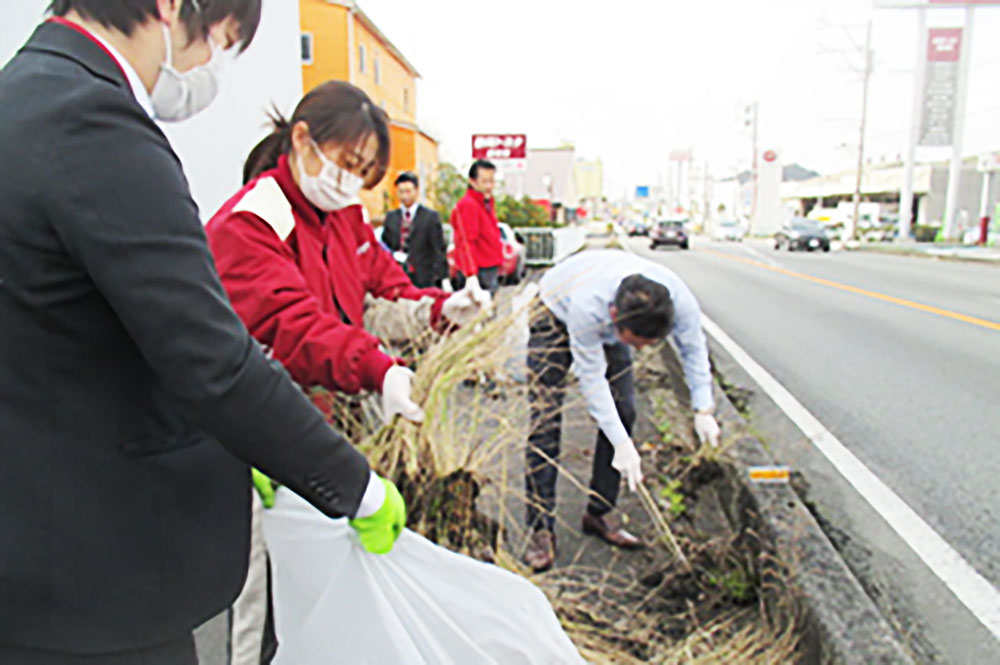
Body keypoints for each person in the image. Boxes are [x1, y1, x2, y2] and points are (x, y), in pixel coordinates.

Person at [0, 3, 405, 663]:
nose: (206, 70)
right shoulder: (95, 124)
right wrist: (353, 483)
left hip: (36, 554)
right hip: (94, 578)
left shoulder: (23, 97)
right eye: (222, 42)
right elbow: (213, 356)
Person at [205, 81, 491, 663]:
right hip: (256, 435)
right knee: (260, 597)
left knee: (318, 584)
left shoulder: (342, 216)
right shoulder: (257, 217)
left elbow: (379, 294)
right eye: (346, 162)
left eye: (364, 171)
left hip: (321, 427)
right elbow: (292, 322)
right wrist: (377, 369)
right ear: (303, 139)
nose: (350, 180)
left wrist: (438, 309)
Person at [523, 250, 722, 572]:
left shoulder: (677, 301)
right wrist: (622, 444)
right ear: (615, 316)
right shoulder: (588, 307)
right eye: (636, 342)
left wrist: (703, 408)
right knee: (545, 421)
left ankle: (599, 512)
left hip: (608, 316)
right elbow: (593, 381)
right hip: (554, 309)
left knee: (625, 410)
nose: (641, 350)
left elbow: (694, 349)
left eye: (647, 344)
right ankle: (540, 528)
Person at [382, 172, 449, 289]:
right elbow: (386, 245)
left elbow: (438, 249)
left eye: (408, 191)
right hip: (397, 277)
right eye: (401, 192)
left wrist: (442, 278)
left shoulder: (430, 217)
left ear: (416, 191)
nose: (404, 196)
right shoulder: (391, 217)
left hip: (424, 278)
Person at [451, 159, 503, 296]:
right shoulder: (469, 205)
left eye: (492, 181)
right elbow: (465, 241)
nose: (489, 186)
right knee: (480, 316)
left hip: (489, 267)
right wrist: (470, 275)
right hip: (479, 271)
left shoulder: (486, 202)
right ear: (472, 181)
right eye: (485, 181)